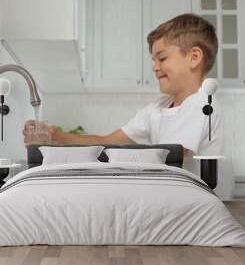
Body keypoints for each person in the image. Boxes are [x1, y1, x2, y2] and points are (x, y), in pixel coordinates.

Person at [23, 13, 223, 175]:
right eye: (153, 60)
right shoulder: (158, 108)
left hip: (198, 202)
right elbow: (108, 141)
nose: (155, 67)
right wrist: (58, 136)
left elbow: (174, 153)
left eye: (162, 58)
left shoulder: (203, 104)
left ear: (194, 57)